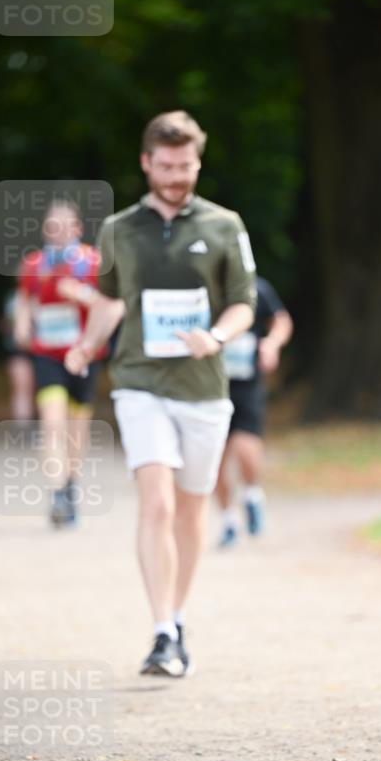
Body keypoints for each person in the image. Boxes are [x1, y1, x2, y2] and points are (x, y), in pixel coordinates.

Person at [64, 110, 256, 679]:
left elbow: (244, 304)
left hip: (203, 389)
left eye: (186, 165)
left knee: (192, 506)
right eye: (166, 165)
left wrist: (215, 336)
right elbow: (109, 300)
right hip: (138, 382)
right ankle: (161, 632)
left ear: (198, 162)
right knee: (157, 501)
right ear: (147, 163)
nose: (176, 176)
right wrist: (86, 344)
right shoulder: (119, 228)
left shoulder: (225, 225)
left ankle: (177, 613)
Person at [14, 200, 104, 527]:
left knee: (76, 431)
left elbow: (109, 307)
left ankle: (70, 484)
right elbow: (26, 302)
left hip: (84, 355)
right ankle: (55, 493)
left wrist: (80, 294)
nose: (57, 231)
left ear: (77, 229)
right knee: (52, 425)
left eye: (64, 225)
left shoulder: (92, 262)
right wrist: (22, 325)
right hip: (47, 354)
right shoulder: (35, 264)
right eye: (52, 226)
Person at [216, 275, 293, 547]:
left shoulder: (256, 287)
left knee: (246, 450)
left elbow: (282, 321)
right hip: (211, 387)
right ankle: (228, 521)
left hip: (247, 384)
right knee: (215, 462)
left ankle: (251, 496)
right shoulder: (203, 289)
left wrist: (271, 343)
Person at [0, 287, 35, 424]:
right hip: (19, 351)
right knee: (22, 390)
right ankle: (23, 427)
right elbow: (5, 325)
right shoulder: (14, 298)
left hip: (36, 350)